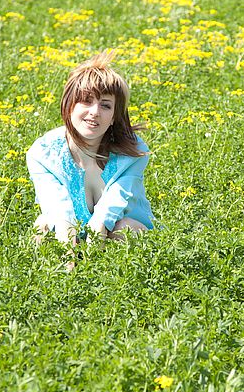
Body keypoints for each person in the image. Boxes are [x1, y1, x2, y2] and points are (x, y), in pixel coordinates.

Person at [26, 51, 155, 249]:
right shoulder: (43, 153)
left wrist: (93, 250)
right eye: (86, 101)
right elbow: (56, 209)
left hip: (115, 233)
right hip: (68, 234)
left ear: (114, 116)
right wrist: (69, 254)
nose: (94, 112)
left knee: (124, 229)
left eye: (105, 105)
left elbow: (106, 215)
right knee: (42, 227)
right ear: (69, 105)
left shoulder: (132, 154)